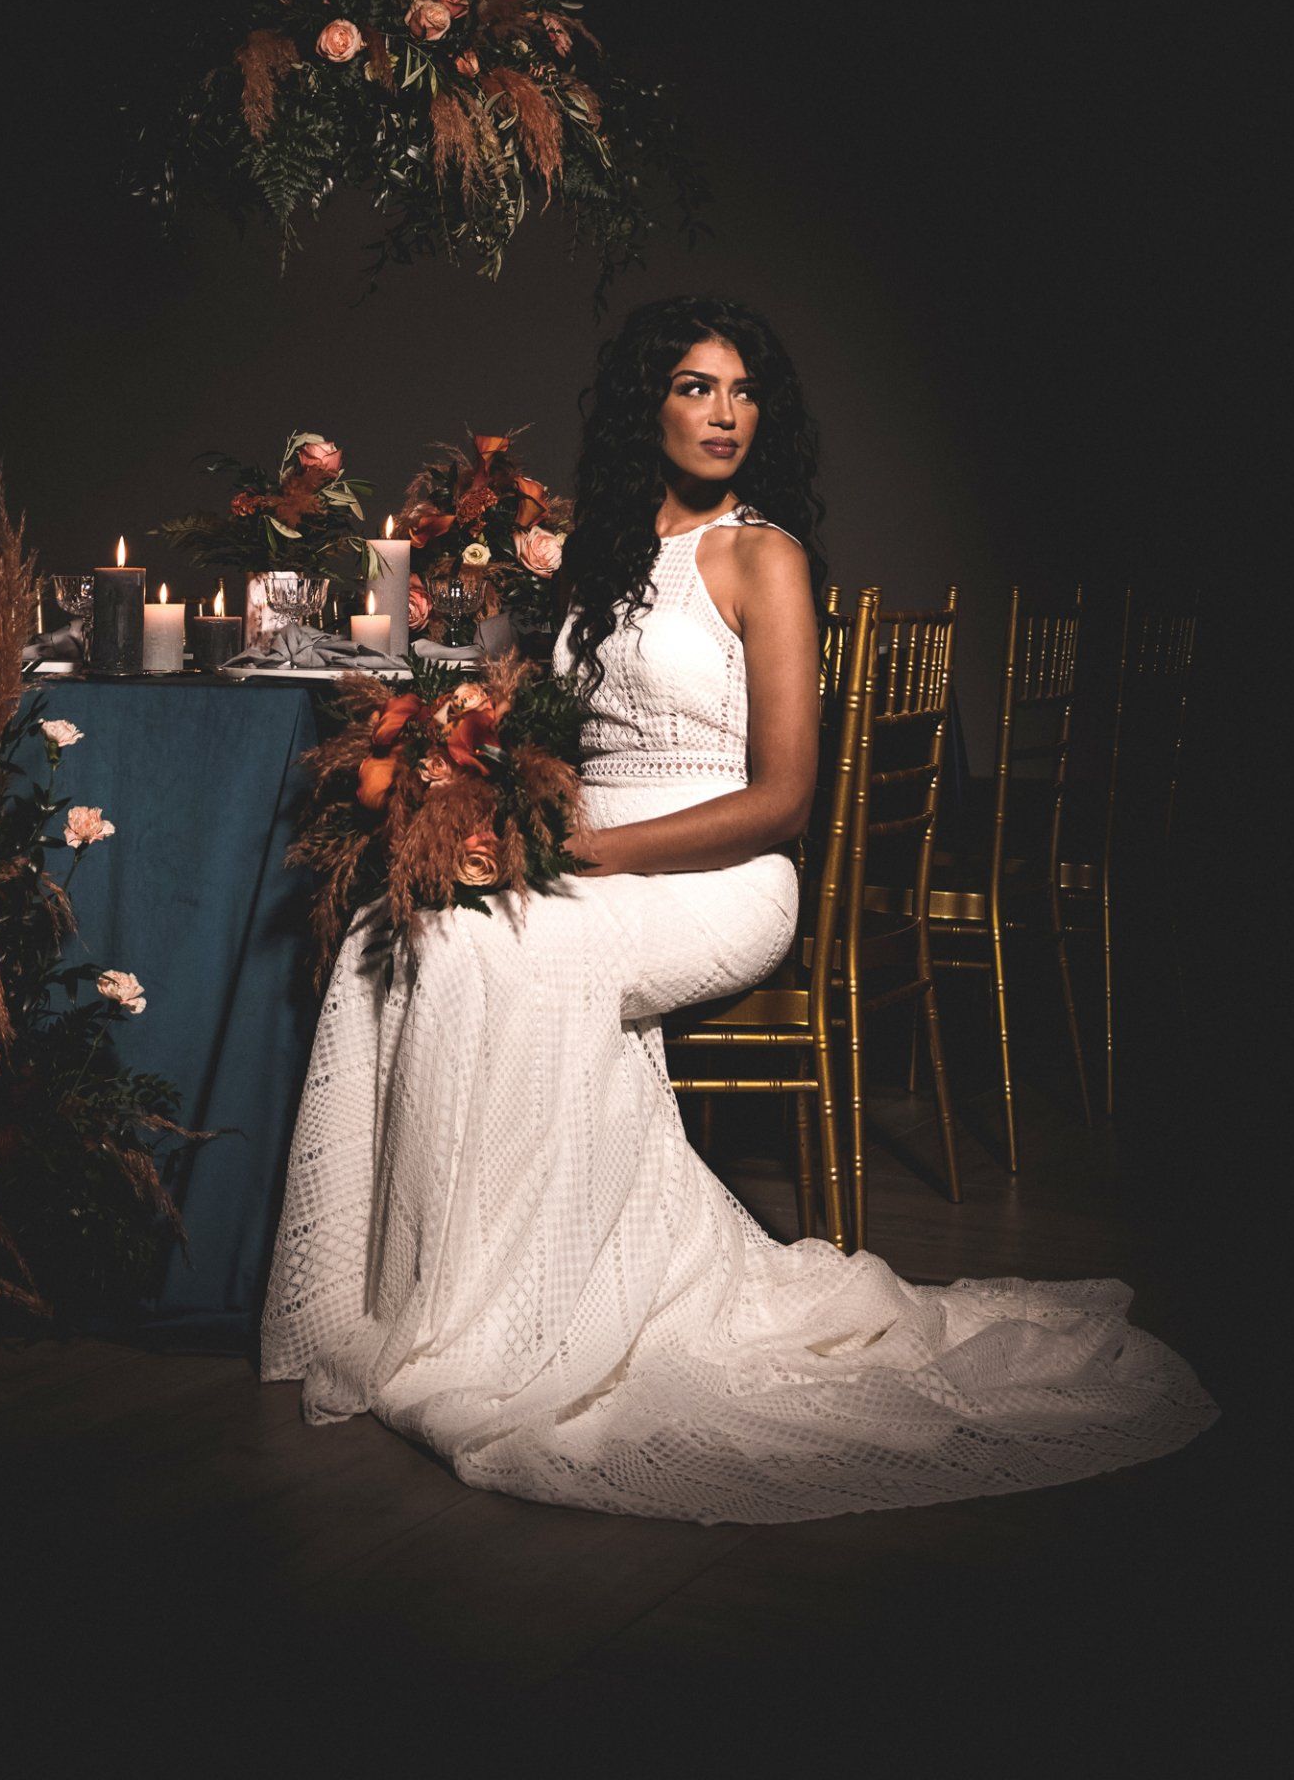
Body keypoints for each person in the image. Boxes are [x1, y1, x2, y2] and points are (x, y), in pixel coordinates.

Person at [260, 294, 1214, 1523]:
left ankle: (519, 1319)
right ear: (648, 406)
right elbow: (557, 733)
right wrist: (497, 807)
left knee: (521, 962)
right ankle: (386, 1301)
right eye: (698, 387)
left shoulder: (766, 556)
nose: (725, 414)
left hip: (721, 875)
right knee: (400, 932)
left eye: (745, 391)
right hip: (588, 854)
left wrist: (591, 850)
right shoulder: (600, 554)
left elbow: (782, 802)